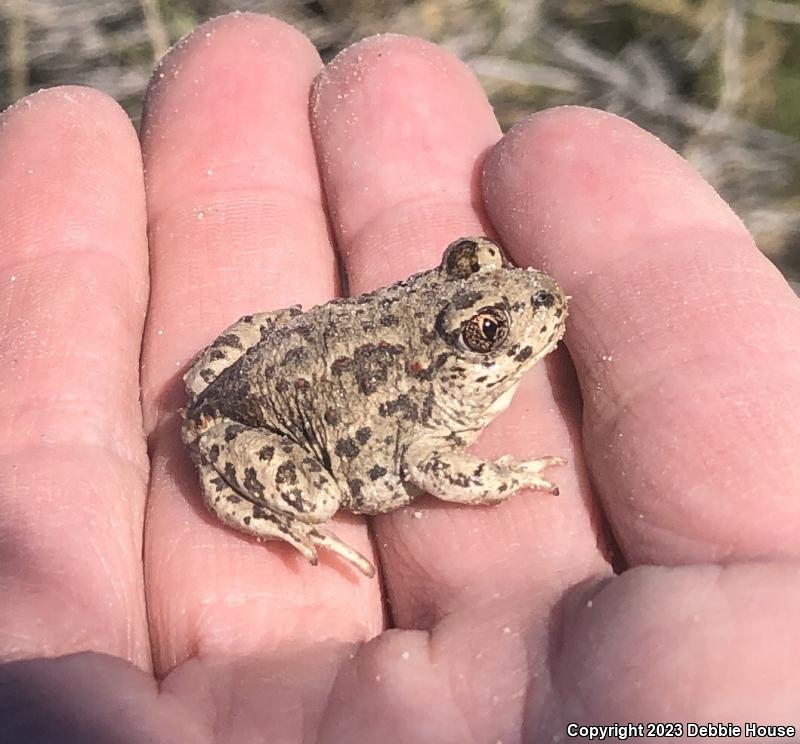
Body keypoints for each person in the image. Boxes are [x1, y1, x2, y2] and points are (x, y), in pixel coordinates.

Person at [1, 13, 798, 743]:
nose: (524, 302)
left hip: (280, 362)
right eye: (490, 329)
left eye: (483, 278)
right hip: (276, 421)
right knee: (313, 496)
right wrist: (497, 478)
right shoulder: (434, 406)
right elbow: (423, 462)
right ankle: (269, 499)